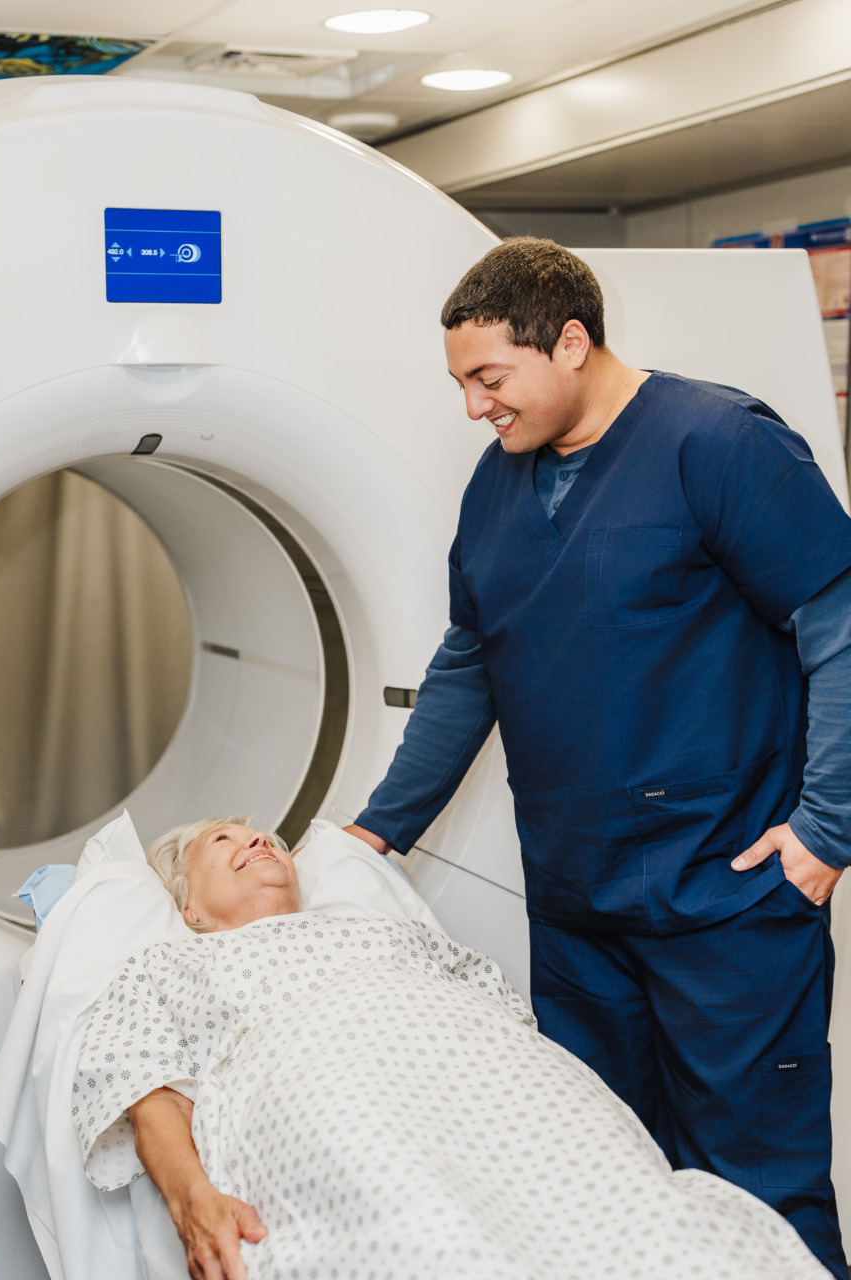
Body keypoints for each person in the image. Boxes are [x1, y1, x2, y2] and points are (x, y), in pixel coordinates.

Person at [344, 237, 851, 1280]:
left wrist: (827, 831)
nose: (474, 406)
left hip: (724, 897)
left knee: (759, 1192)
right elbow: (472, 660)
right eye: (462, 383)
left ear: (571, 341)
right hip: (578, 910)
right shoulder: (499, 485)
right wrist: (376, 830)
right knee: (601, 1188)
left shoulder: (717, 442)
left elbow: (838, 624)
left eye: (490, 378)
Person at [74, 817, 828, 1280]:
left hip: (496, 1078)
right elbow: (145, 1090)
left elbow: (503, 1018)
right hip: (324, 1086)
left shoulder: (384, 932)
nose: (254, 838)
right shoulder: (171, 966)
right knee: (428, 1233)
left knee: (638, 1219)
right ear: (189, 908)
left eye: (260, 833)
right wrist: (192, 1200)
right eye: (223, 839)